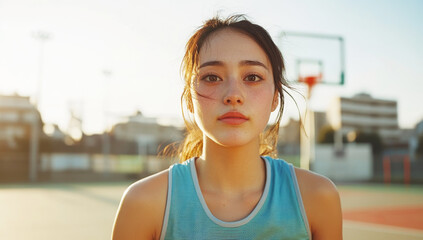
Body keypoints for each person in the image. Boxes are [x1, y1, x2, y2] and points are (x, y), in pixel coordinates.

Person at [112, 15, 342, 240]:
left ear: (275, 97)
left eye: (252, 77)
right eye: (212, 77)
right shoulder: (143, 203)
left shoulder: (317, 197)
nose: (233, 95)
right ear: (189, 99)